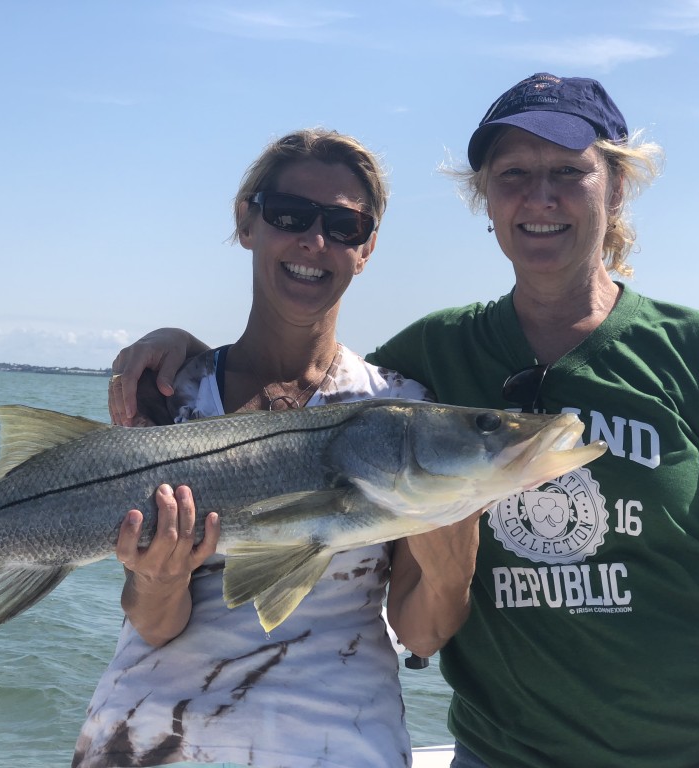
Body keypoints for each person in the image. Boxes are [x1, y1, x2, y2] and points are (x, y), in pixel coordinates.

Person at [108, 74, 699, 768]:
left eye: (568, 172)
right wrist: (186, 354)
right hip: (502, 753)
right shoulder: (433, 357)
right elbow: (295, 404)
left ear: (616, 187)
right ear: (485, 200)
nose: (540, 196)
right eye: (513, 175)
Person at [71, 128, 480, 768]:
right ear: (247, 222)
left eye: (344, 225)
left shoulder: (402, 414)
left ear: (367, 247)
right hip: (146, 742)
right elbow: (153, 624)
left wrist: (454, 563)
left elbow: (421, 630)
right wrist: (157, 579)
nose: (313, 242)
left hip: (339, 746)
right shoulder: (171, 396)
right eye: (290, 215)